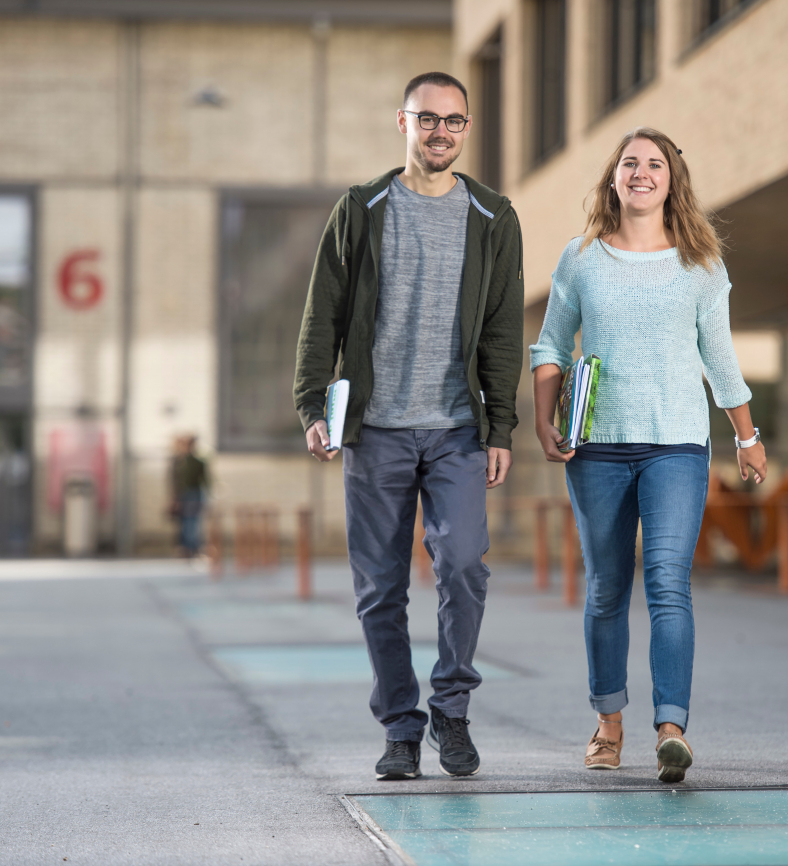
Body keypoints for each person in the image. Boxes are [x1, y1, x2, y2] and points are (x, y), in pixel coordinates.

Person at [293, 72, 524, 780]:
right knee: (379, 587)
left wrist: (500, 427)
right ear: (403, 122)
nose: (441, 132)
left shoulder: (493, 215)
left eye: (454, 122)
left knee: (463, 566)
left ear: (467, 127)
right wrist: (312, 404)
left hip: (456, 428)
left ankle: (451, 709)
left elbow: (502, 330)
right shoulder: (361, 207)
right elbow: (322, 314)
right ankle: (400, 726)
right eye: (428, 119)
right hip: (376, 431)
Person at [529, 127, 766, 784]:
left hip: (678, 447)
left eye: (654, 163)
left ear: (672, 181)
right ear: (613, 179)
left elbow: (719, 358)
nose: (640, 172)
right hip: (597, 449)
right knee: (606, 588)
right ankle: (608, 722)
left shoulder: (700, 266)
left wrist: (747, 435)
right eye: (629, 163)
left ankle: (671, 728)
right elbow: (549, 345)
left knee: (668, 582)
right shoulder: (580, 258)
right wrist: (544, 420)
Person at [169, 434, 209, 558]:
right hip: (182, 494)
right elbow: (174, 480)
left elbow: (204, 480)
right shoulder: (177, 461)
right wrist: (174, 497)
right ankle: (184, 546)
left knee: (192, 521)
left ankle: (193, 547)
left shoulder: (197, 461)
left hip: (194, 493)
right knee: (183, 522)